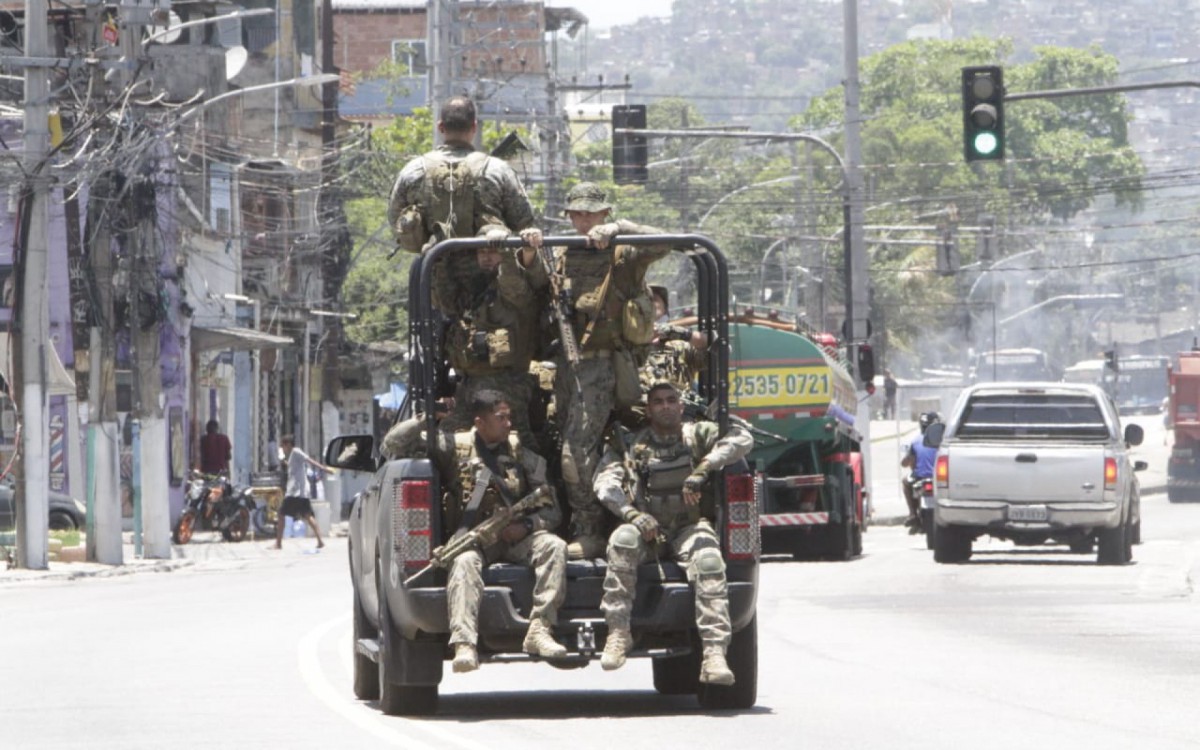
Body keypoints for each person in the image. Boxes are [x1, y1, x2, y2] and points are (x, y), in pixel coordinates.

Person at [385, 390, 569, 672]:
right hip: (474, 540)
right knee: (463, 563)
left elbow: (552, 509)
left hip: (514, 538)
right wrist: (426, 419)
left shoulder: (520, 453)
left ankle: (540, 629)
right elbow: (393, 444)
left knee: (554, 546)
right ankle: (464, 644)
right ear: (480, 422)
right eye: (501, 418)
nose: (508, 424)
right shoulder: (454, 447)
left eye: (509, 417)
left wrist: (527, 526)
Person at [592, 380, 753, 685]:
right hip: (647, 529)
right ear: (648, 410)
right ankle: (618, 633)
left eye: (671, 400)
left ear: (681, 406)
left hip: (688, 527)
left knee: (709, 561)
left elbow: (742, 438)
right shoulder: (632, 445)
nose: (665, 406)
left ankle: (714, 654)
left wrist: (705, 466)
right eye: (658, 402)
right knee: (622, 540)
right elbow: (604, 483)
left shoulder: (698, 435)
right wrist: (632, 515)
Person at [553, 182, 673, 559]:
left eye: (590, 213)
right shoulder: (562, 251)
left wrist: (620, 228)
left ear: (605, 212)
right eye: (577, 214)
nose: (583, 220)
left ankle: (589, 529)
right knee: (565, 447)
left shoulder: (624, 250)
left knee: (575, 451)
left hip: (606, 363)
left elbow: (666, 241)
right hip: (568, 364)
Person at [386, 95, 543, 315]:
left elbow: (397, 223)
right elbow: (525, 222)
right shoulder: (497, 169)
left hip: (436, 290)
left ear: (441, 127)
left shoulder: (412, 171)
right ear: (474, 127)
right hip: (495, 294)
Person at [438, 241, 546, 451]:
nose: (486, 257)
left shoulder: (513, 290)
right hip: (470, 384)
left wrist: (506, 252)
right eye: (482, 252)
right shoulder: (474, 291)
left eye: (492, 252)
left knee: (518, 445)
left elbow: (512, 284)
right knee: (445, 440)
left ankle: (535, 473)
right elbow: (447, 301)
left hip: (507, 382)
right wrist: (441, 263)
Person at [275, 434, 327, 550]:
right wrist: (284, 462)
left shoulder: (296, 451)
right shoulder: (292, 456)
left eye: (283, 445)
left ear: (288, 444)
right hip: (301, 491)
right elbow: (294, 467)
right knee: (308, 515)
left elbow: (308, 460)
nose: (283, 448)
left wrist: (323, 468)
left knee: (281, 514)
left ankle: (278, 544)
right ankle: (320, 541)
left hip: (296, 492)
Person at [901, 412, 940, 534]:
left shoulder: (915, 441)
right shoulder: (941, 440)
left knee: (905, 481)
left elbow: (907, 462)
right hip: (938, 478)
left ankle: (912, 513)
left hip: (919, 477)